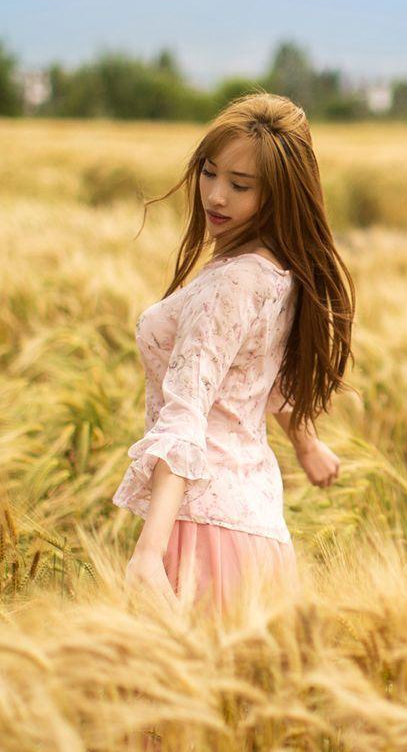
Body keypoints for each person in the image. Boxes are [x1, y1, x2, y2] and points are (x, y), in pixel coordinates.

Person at [113, 92, 354, 614]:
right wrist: (307, 445)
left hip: (199, 529)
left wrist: (149, 552)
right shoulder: (274, 271)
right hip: (256, 529)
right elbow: (253, 376)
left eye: (240, 185)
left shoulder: (233, 283)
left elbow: (186, 416)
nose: (216, 196)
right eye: (209, 172)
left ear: (281, 195)